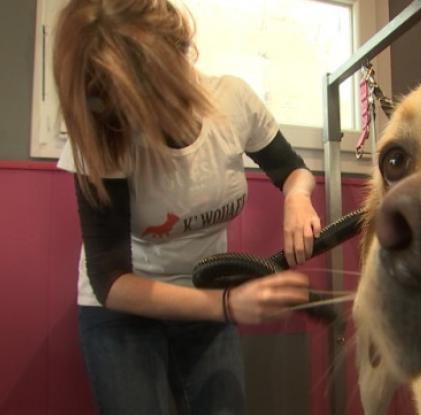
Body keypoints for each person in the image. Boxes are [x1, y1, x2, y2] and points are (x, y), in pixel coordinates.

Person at [53, 1, 322, 414]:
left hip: (206, 293)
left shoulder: (232, 101)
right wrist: (227, 305)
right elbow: (110, 281)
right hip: (124, 305)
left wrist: (297, 197)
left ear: (183, 49)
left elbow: (293, 171)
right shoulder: (105, 133)